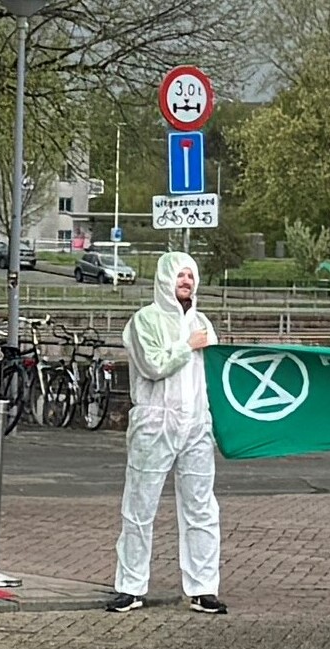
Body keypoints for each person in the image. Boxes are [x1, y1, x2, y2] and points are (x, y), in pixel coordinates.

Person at [107, 252, 226, 614]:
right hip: (155, 423)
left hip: (196, 426)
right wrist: (187, 345)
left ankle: (204, 587)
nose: (186, 282)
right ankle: (130, 586)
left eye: (191, 276)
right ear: (164, 280)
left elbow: (214, 375)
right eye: (179, 275)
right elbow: (153, 364)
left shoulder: (203, 321)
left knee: (202, 508)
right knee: (139, 506)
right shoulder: (145, 321)